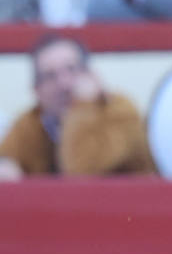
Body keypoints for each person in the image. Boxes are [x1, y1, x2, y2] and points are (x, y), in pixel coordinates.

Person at [0, 33, 154, 176]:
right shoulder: (30, 123)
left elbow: (80, 173)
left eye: (72, 69)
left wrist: (82, 106)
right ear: (37, 91)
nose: (64, 84)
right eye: (50, 76)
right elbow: (6, 161)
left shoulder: (119, 111)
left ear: (92, 76)